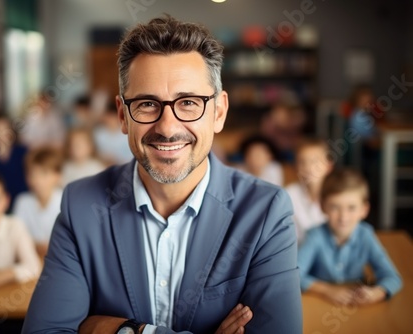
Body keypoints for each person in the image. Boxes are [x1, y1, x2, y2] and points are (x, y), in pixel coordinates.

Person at [23, 15, 301, 334]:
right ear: (122, 116)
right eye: (146, 104)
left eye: (188, 103)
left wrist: (124, 330)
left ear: (219, 113)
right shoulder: (80, 205)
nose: (167, 127)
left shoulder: (267, 211)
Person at [297, 168, 402, 305]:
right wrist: (327, 290)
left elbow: (392, 277)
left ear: (364, 210)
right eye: (335, 207)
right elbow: (295, 276)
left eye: (351, 208)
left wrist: (377, 292)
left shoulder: (366, 235)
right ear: (323, 207)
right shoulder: (314, 236)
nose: (343, 217)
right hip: (320, 301)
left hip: (355, 303)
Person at [14, 147, 63, 258]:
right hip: (30, 257)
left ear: (57, 176)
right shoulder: (22, 201)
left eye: (44, 174)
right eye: (32, 174)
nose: (37, 180)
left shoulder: (66, 201)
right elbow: (17, 236)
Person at [285, 138, 333, 242]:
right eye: (302, 162)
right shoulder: (289, 194)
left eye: (315, 161)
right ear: (295, 167)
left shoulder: (337, 194)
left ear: (328, 166)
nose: (308, 167)